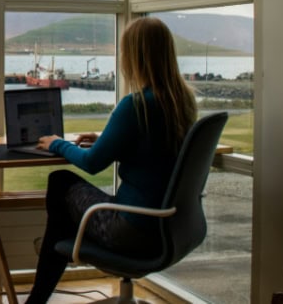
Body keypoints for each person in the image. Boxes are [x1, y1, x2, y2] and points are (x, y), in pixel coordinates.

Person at [25, 17, 197, 304]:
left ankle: (46, 278)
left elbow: (92, 163)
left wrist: (57, 143)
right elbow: (153, 149)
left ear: (133, 57)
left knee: (60, 181)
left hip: (131, 231)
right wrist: (108, 139)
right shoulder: (183, 103)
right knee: (63, 217)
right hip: (172, 228)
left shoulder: (136, 105)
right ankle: (57, 251)